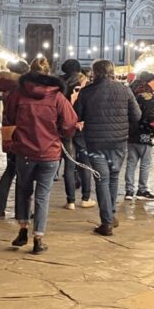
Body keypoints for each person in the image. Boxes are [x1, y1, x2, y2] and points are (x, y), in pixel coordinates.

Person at [6, 57, 78, 254]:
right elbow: (70, 124)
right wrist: (60, 134)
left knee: (23, 191)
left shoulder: (18, 94)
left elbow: (9, 116)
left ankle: (22, 230)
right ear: (49, 73)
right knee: (42, 195)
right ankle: (38, 238)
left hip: (25, 151)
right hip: (50, 153)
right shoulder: (57, 97)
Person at [74, 59, 141, 236]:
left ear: (94, 73)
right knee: (112, 178)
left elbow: (77, 115)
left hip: (95, 142)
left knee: (102, 180)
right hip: (119, 142)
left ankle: (107, 222)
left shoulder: (87, 92)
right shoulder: (125, 89)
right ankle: (111, 215)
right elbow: (137, 115)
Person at [0, 59, 29, 218]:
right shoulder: (19, 89)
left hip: (8, 130)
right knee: (21, 172)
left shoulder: (7, 86)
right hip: (18, 132)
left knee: (11, 169)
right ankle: (22, 212)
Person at [59, 59, 95, 210]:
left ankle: (71, 201)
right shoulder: (85, 83)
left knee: (69, 164)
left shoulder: (59, 84)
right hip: (82, 127)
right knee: (85, 163)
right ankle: (86, 198)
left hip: (65, 127)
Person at [125, 71, 154, 201]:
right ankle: (142, 189)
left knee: (131, 162)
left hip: (131, 132)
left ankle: (129, 191)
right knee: (145, 163)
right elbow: (150, 116)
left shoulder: (131, 92)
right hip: (144, 133)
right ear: (148, 81)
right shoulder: (147, 95)